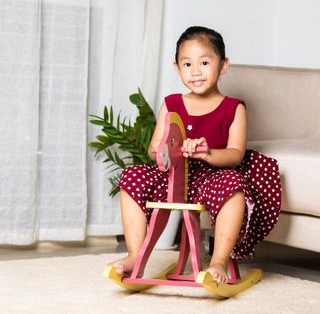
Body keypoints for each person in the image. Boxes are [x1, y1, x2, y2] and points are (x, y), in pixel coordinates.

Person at [109, 26, 281, 284]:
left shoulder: (233, 108)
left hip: (212, 177)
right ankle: (134, 255)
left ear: (223, 65)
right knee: (131, 176)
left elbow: (235, 154)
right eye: (187, 64)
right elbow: (154, 148)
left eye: (204, 62)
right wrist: (166, 152)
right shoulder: (172, 103)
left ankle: (219, 261)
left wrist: (208, 153)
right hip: (172, 178)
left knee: (234, 185)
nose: (196, 71)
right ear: (177, 68)